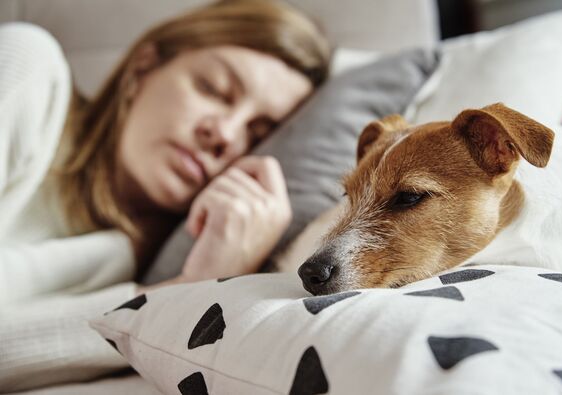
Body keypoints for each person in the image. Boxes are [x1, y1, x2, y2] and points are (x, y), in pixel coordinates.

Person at [0, 0, 330, 390]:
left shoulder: (125, 266)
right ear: (143, 67)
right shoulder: (31, 72)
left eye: (257, 135)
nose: (225, 134)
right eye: (214, 89)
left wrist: (195, 286)